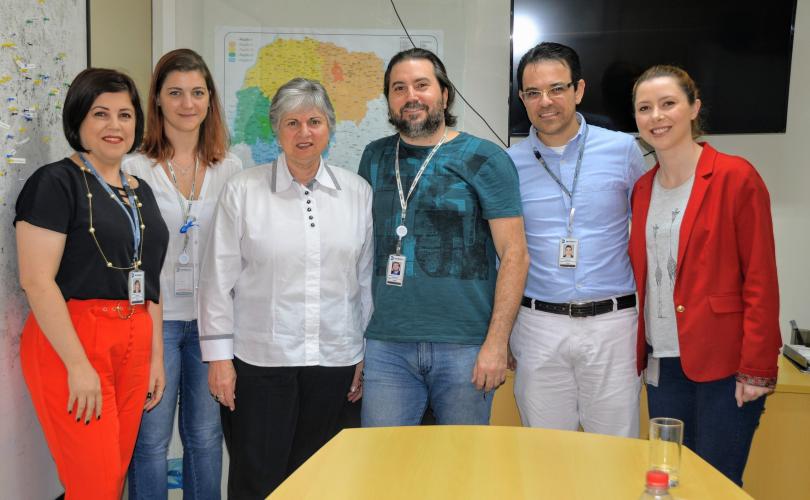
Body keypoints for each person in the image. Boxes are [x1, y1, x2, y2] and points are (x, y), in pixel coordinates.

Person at [199, 77, 372, 497]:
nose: (304, 133)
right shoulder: (243, 190)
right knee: (257, 478)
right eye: (291, 123)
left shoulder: (357, 192)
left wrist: (362, 352)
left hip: (334, 362)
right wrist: (220, 360)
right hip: (260, 362)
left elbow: (363, 281)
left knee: (323, 479)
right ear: (276, 129)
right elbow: (217, 280)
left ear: (330, 127)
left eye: (314, 121)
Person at [15, 68, 169, 499]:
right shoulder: (55, 182)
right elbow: (36, 280)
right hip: (74, 341)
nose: (114, 126)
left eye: (124, 114)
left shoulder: (141, 191)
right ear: (78, 119)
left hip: (135, 341)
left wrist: (155, 357)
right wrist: (77, 365)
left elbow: (149, 283)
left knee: (109, 480)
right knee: (96, 485)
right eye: (101, 114)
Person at [359, 48, 529, 427]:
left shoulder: (485, 158)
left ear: (445, 94)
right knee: (382, 470)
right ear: (388, 99)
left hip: (465, 346)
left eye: (422, 85)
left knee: (461, 471)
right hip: (387, 345)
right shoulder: (373, 157)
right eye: (398, 88)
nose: (410, 96)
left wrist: (497, 342)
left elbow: (514, 253)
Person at [629, 65, 781, 485]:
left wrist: (756, 368)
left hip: (724, 364)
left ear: (694, 108)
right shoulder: (643, 188)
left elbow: (761, 278)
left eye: (668, 104)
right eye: (645, 108)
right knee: (671, 480)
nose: (656, 116)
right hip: (663, 362)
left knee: (716, 483)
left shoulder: (735, 176)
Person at [506, 42, 645, 437]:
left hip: (613, 326)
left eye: (557, 89)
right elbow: (504, 252)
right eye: (533, 93)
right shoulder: (507, 163)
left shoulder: (622, 150)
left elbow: (647, 235)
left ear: (579, 90)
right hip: (538, 325)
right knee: (545, 456)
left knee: (615, 452)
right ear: (522, 99)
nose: (545, 102)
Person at [123, 49, 241, 500]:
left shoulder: (231, 166)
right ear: (157, 101)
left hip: (213, 323)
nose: (187, 104)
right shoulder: (135, 167)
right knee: (151, 439)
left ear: (210, 100)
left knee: (206, 437)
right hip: (155, 321)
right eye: (175, 93)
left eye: (196, 92)